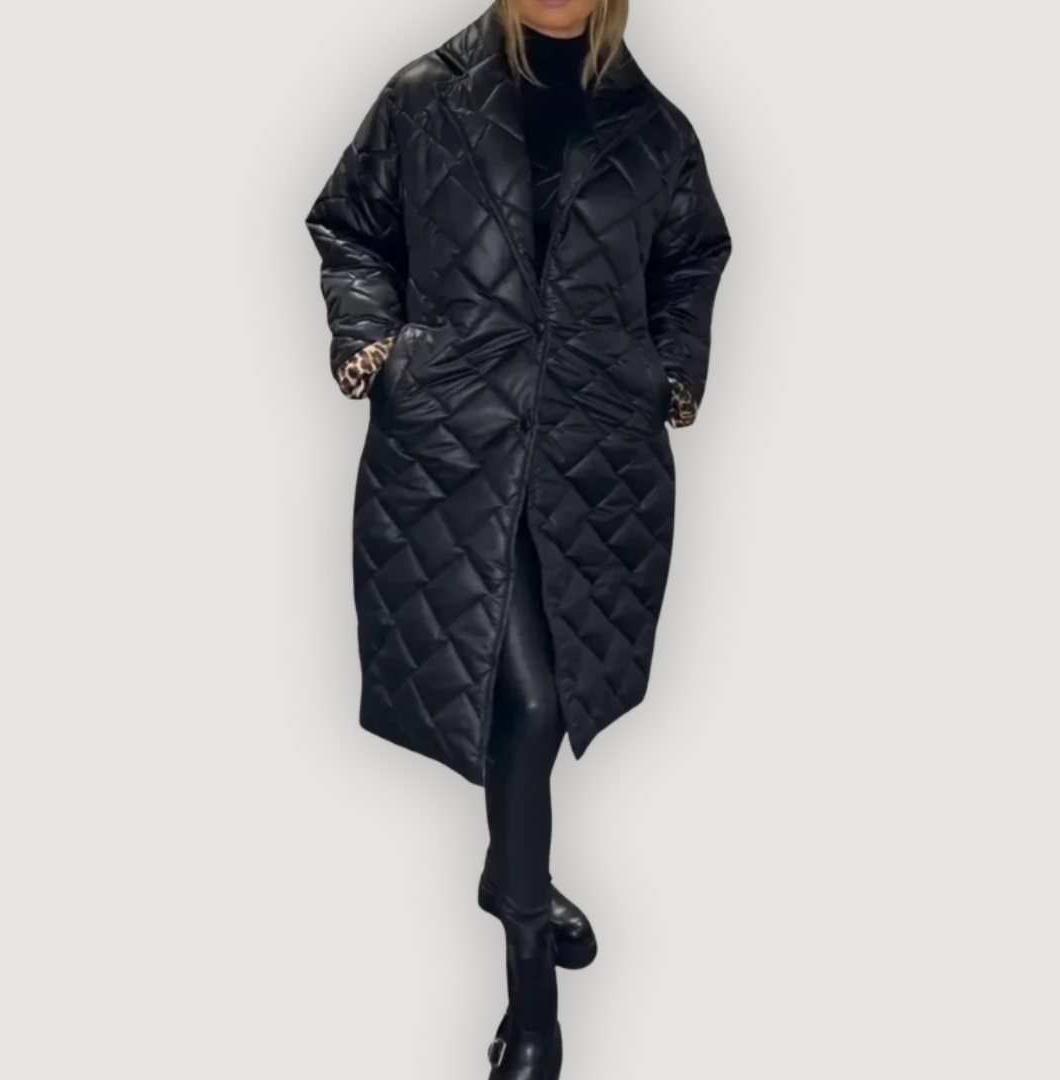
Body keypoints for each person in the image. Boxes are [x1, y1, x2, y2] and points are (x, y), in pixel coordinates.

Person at [304, 1, 731, 1075]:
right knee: (529, 703)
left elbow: (692, 256)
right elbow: (350, 224)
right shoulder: (423, 97)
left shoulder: (656, 128)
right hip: (454, 445)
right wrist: (374, 344)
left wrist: (671, 370)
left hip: (594, 456)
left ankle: (508, 873)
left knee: (542, 698)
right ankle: (532, 999)